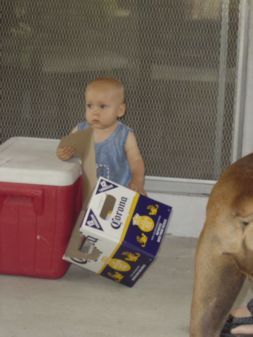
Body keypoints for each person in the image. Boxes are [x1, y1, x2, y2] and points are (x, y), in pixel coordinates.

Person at [57, 77, 146, 195]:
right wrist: (63, 153)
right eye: (90, 106)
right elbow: (65, 147)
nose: (95, 112)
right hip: (86, 195)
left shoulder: (124, 134)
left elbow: (136, 160)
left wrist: (137, 181)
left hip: (119, 195)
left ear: (120, 110)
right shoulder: (80, 131)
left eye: (102, 106)